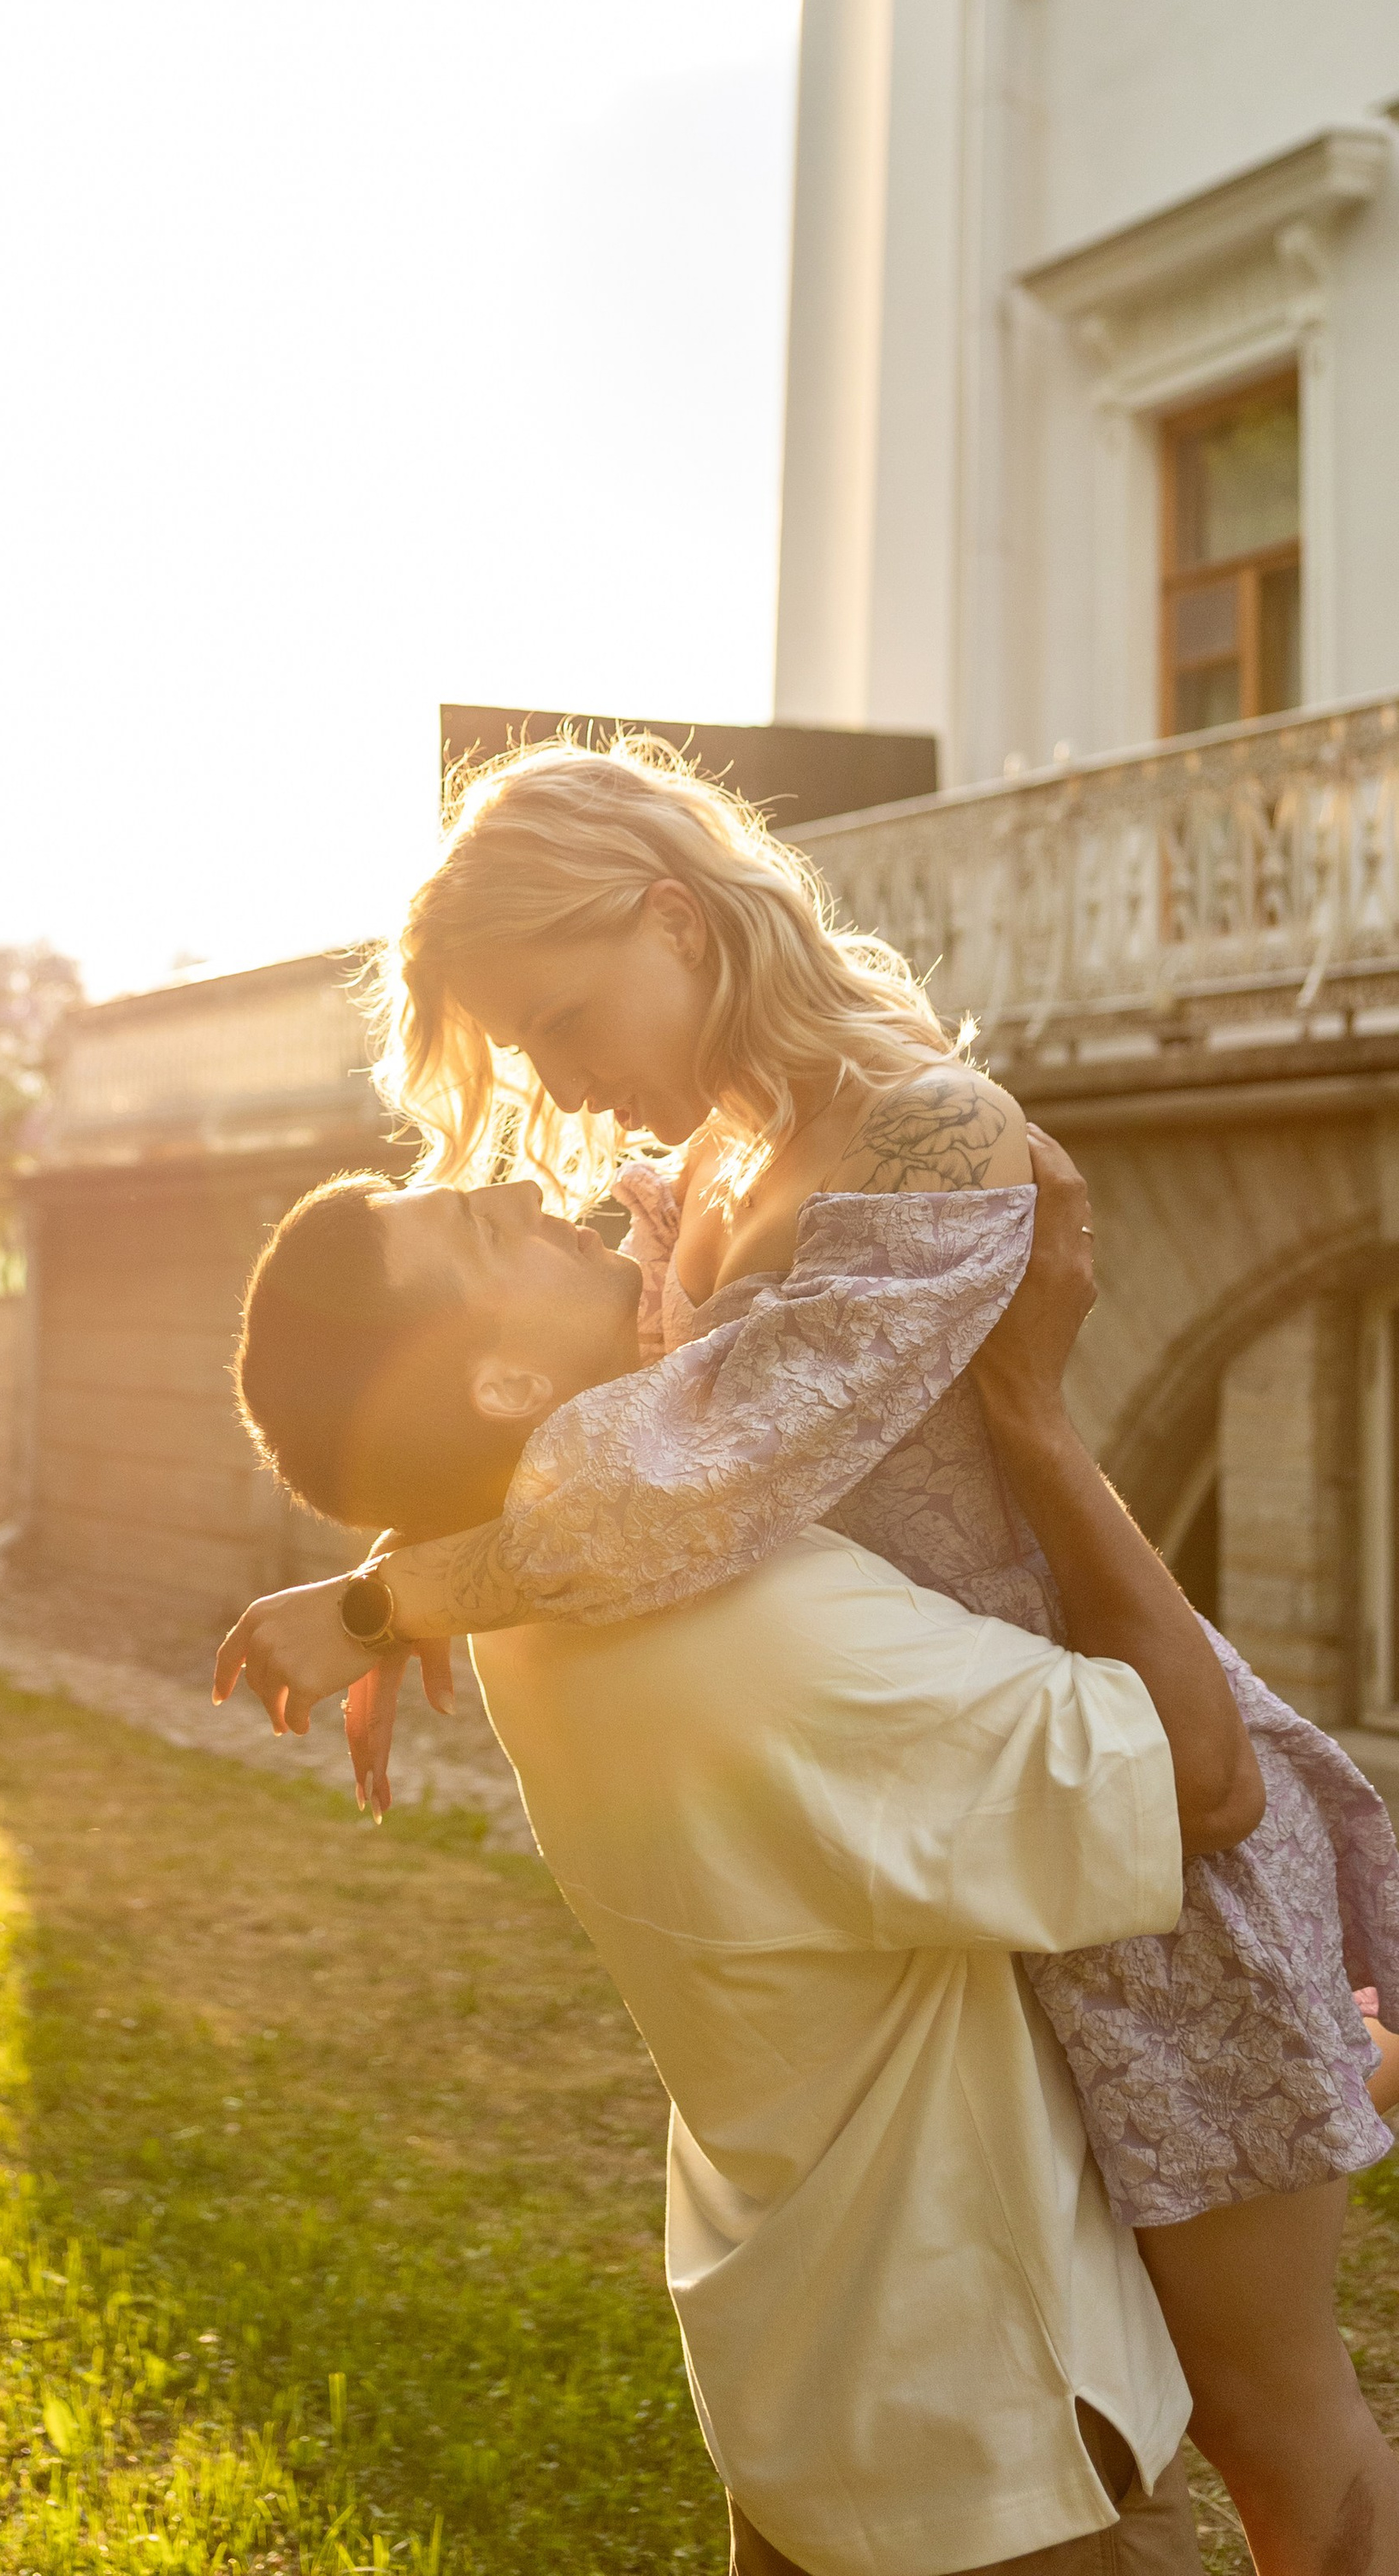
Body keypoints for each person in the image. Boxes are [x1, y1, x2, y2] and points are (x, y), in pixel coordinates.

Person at [215, 740, 1399, 2572]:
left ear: (676, 921)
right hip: (958, 1839)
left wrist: (393, 1599)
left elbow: (690, 1470)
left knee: (1278, 2445)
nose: (556, 1086)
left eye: (559, 1019)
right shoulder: (709, 1174)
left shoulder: (929, 1135)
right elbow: (552, 1436)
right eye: (523, 1050)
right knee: (1107, 2408)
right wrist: (402, 1554)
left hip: (1146, 1851)